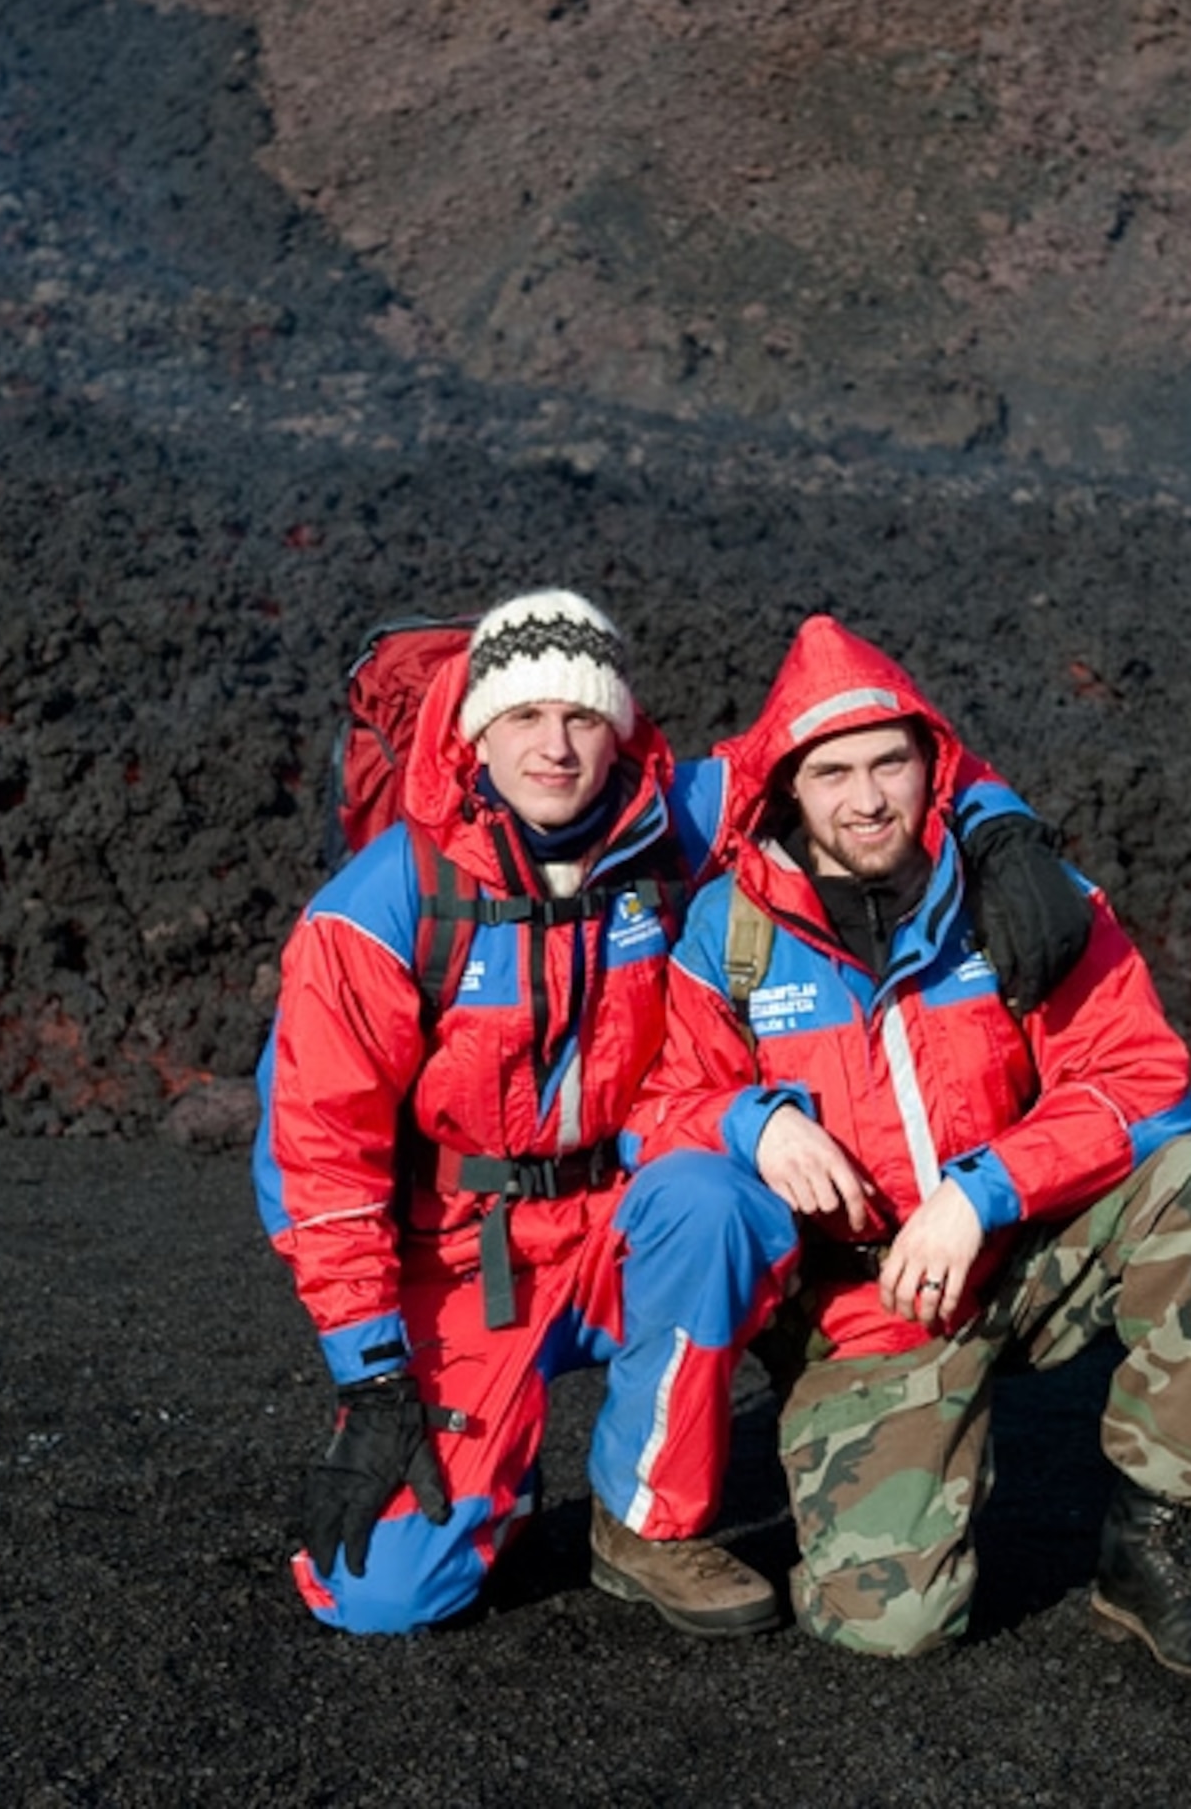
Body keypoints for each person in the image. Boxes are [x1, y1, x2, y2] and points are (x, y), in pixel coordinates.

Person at [637, 614, 1191, 1675]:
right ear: (787, 789)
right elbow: (665, 1103)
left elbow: (1144, 1082)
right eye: (833, 770)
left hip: (1023, 1254)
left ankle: (1151, 1549)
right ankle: (923, 1439)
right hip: (865, 1309)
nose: (867, 796)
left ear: (933, 763)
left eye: (890, 760)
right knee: (882, 1627)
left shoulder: (1020, 900)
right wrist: (757, 1122)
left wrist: (985, 1189)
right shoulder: (730, 932)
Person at [252, 589, 802, 1638]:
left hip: (619, 1219)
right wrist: (372, 1380)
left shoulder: (667, 823)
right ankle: (489, 1469)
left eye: (584, 715)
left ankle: (646, 1522)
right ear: (477, 730)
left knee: (718, 1197)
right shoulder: (378, 908)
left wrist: (1000, 833)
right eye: (525, 716)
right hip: (461, 1252)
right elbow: (320, 1161)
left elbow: (837, 719)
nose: (555, 744)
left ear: (622, 726)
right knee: (384, 1593)